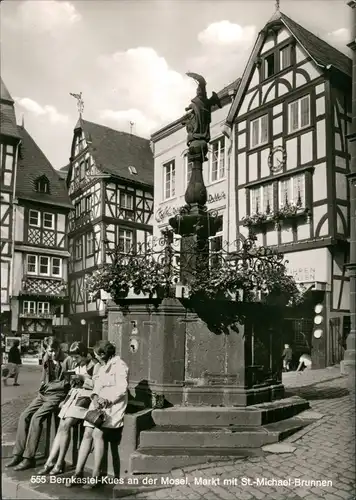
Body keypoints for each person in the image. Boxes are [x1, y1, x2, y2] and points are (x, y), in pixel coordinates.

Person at [66, 340, 128, 489]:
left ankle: (96, 476)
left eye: (96, 355)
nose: (95, 358)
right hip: (98, 405)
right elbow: (96, 386)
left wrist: (107, 400)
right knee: (87, 432)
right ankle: (78, 472)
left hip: (113, 406)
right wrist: (95, 397)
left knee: (97, 434)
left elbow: (122, 389)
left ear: (102, 354)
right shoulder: (102, 367)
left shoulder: (120, 366)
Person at [5, 337, 74, 471]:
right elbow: (44, 377)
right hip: (43, 394)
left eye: (54, 351)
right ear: (46, 350)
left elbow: (68, 383)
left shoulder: (68, 360)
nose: (52, 354)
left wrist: (51, 387)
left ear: (59, 348)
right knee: (24, 416)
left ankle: (28, 458)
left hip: (57, 395)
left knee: (36, 418)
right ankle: (17, 454)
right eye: (50, 351)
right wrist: (43, 385)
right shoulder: (46, 358)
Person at [37, 342, 101, 475]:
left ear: (84, 355)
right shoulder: (77, 364)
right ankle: (50, 461)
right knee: (61, 426)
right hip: (74, 396)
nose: (74, 360)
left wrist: (83, 379)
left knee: (66, 424)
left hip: (85, 397)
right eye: (73, 357)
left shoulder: (94, 365)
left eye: (77, 357)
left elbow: (97, 385)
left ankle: (60, 462)